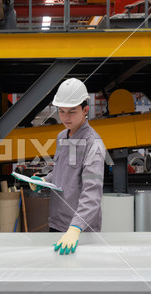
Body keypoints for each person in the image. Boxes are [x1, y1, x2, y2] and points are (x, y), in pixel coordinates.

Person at [30, 78, 106, 255]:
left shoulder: (92, 143)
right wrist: (44, 180)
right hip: (57, 223)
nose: (65, 117)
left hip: (81, 230)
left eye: (72, 112)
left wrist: (75, 228)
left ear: (85, 110)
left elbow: (92, 193)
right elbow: (62, 173)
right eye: (62, 111)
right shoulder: (62, 137)